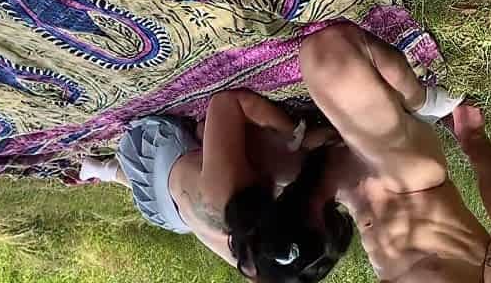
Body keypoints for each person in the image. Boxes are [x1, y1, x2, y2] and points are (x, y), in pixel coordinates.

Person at [257, 21, 491, 282]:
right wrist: (474, 139)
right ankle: (425, 103)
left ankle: (330, 140)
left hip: (354, 198)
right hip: (410, 184)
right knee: (327, 53)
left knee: (264, 160)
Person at [80, 90, 353, 282]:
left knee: (229, 141)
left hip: (154, 151)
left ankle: (107, 170)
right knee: (147, 187)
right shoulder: (255, 256)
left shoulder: (228, 191)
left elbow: (225, 102)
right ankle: (103, 170)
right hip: (168, 214)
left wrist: (291, 132)